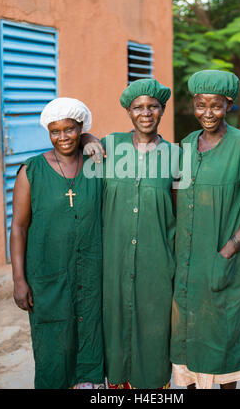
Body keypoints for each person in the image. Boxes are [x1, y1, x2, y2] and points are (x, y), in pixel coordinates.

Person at [170, 70, 240, 389]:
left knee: (223, 336)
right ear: (193, 105)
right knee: (185, 336)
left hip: (221, 258)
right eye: (201, 105)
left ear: (229, 105)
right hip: (185, 262)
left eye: (216, 105)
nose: (208, 113)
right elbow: (175, 198)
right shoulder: (185, 145)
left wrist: (230, 249)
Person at [82, 78, 179, 389]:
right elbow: (82, 180)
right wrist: (87, 137)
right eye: (138, 107)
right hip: (113, 262)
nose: (146, 113)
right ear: (128, 111)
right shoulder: (109, 146)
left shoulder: (177, 156)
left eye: (153, 106)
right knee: (113, 330)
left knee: (154, 334)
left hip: (157, 265)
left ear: (163, 109)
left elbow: (181, 213)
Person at [10, 97, 105, 389]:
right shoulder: (32, 171)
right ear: (48, 132)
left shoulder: (97, 165)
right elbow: (19, 227)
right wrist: (18, 280)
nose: (62, 137)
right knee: (54, 349)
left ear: (81, 128)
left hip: (91, 276)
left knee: (91, 340)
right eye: (55, 131)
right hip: (48, 278)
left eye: (70, 129)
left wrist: (92, 137)